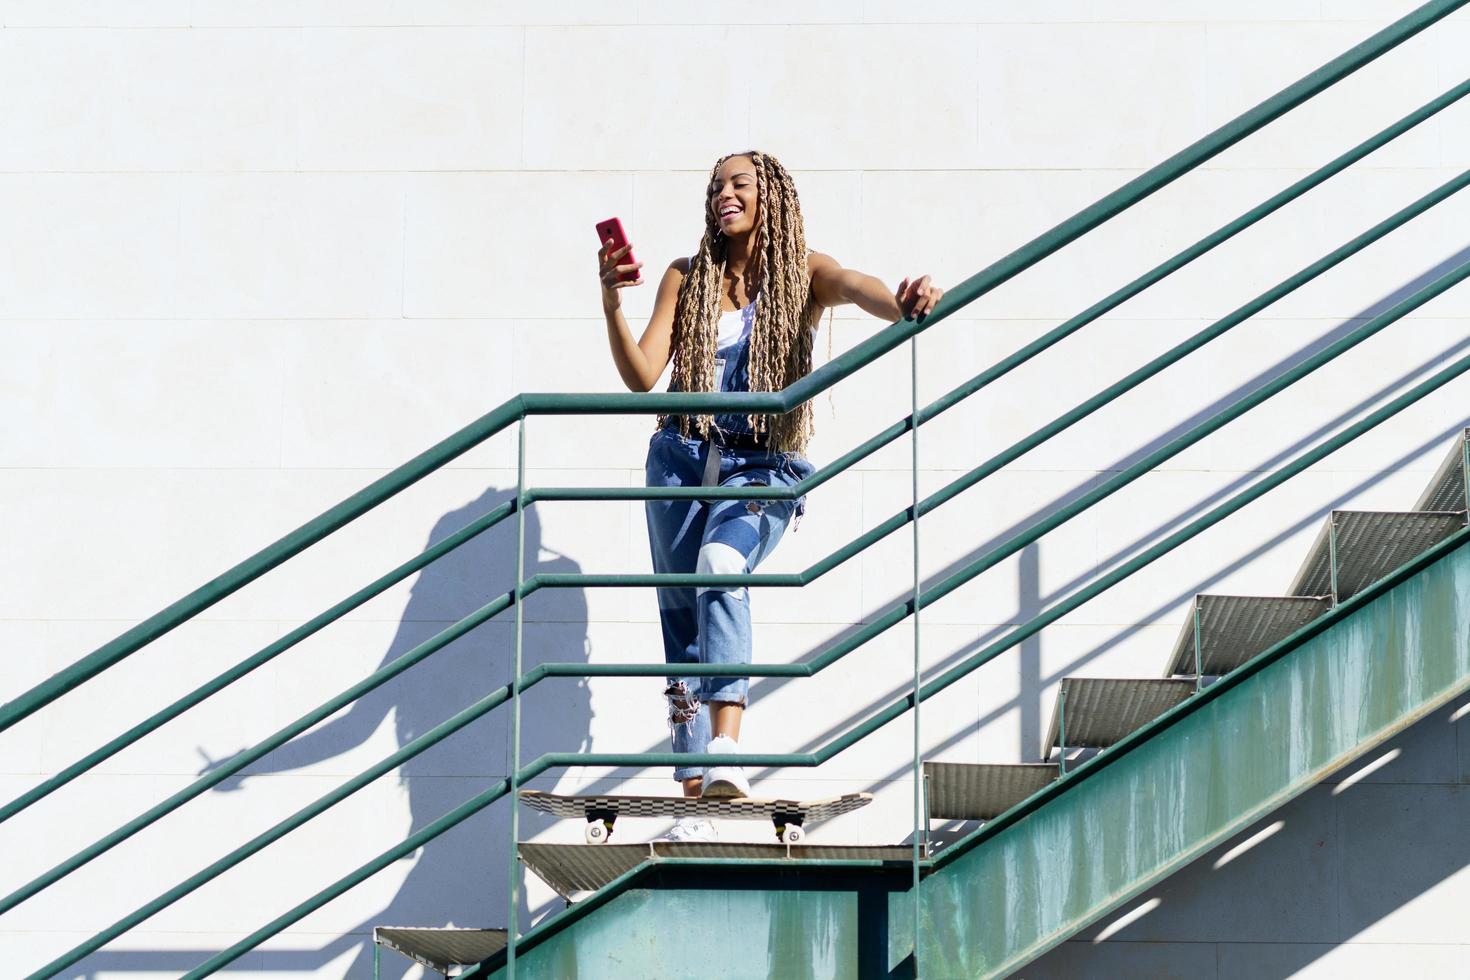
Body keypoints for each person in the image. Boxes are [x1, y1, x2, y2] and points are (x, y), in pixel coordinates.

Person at [598, 149, 943, 841]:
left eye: (740, 183)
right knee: (680, 629)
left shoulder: (802, 273)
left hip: (762, 463)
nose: (725, 193)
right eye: (717, 185)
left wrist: (901, 306)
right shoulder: (686, 276)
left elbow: (854, 284)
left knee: (721, 569)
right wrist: (610, 296)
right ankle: (693, 799)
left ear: (771, 196)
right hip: (678, 456)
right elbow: (641, 375)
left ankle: (728, 746)